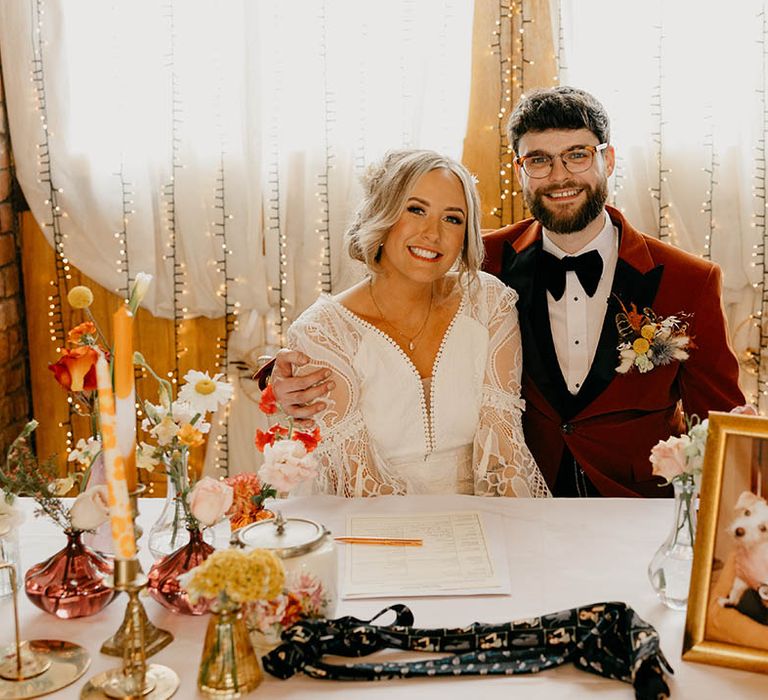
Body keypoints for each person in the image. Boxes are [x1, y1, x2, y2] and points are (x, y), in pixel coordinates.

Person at [263, 87, 745, 498]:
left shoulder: (688, 280)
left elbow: (720, 424)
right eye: (539, 160)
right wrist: (278, 381)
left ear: (608, 159)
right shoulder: (479, 261)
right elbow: (379, 309)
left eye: (577, 155)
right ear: (520, 170)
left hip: (635, 506)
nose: (559, 176)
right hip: (523, 506)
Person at [279, 149, 550, 498]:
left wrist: (506, 542)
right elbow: (357, 483)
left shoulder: (489, 304)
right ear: (383, 213)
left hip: (480, 525)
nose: (432, 234)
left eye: (452, 219)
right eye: (416, 210)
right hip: (372, 531)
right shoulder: (323, 332)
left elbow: (504, 455)